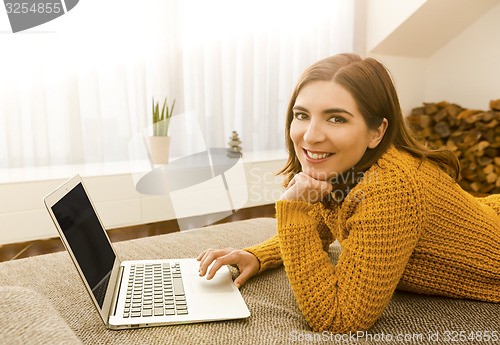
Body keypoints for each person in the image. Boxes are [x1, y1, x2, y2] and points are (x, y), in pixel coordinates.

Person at [197, 53, 500, 333]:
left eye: (336, 118)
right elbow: (316, 227)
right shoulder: (350, 169)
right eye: (301, 115)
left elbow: (339, 318)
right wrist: (256, 255)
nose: (311, 135)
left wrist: (291, 210)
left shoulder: (391, 189)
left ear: (377, 132)